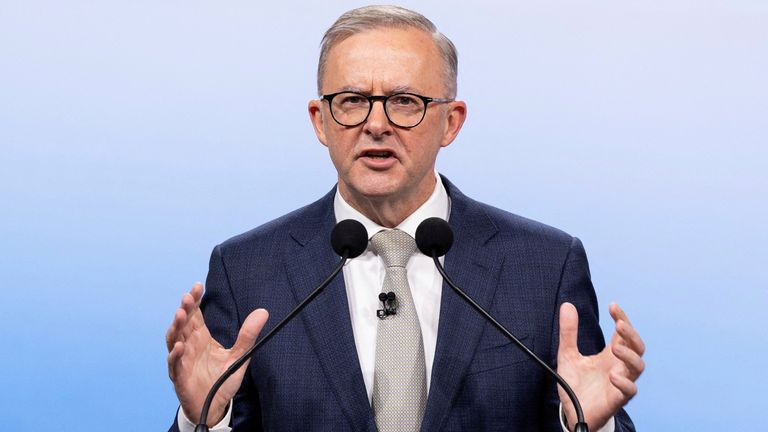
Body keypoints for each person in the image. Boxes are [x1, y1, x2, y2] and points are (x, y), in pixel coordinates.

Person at [166, 5, 645, 432]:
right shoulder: (247, 268)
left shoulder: (544, 265)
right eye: (352, 100)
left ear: (451, 122)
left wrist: (585, 424)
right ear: (320, 120)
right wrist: (204, 419)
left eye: (404, 101)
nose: (376, 124)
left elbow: (590, 411)